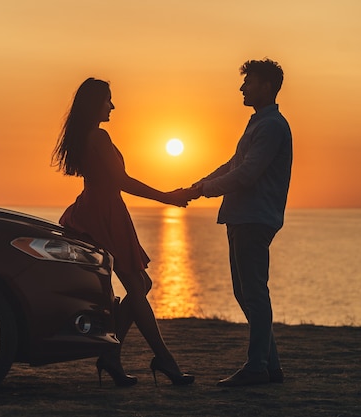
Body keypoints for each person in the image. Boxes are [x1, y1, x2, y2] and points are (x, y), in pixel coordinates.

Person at [52, 78, 195, 387]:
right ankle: (164, 359)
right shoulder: (99, 136)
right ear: (95, 104)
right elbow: (122, 181)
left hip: (101, 211)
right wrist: (167, 197)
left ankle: (110, 355)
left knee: (141, 282)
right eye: (108, 100)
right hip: (102, 215)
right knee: (137, 284)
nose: (113, 106)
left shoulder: (87, 136)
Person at [187, 59, 292, 386]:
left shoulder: (272, 126)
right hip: (243, 216)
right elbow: (234, 164)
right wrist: (198, 186)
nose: (242, 87)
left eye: (249, 82)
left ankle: (257, 367)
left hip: (254, 217)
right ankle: (269, 366)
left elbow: (246, 174)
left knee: (253, 294)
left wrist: (204, 190)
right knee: (245, 293)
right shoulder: (259, 124)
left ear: (267, 87)